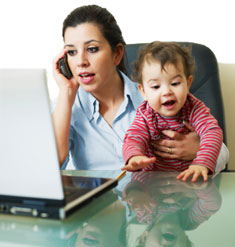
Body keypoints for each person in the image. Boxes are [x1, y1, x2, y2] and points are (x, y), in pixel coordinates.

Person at [52, 4, 228, 172]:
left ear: (117, 54)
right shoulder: (65, 105)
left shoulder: (158, 96)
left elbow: (222, 153)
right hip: (98, 201)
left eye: (92, 49)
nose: (81, 61)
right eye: (71, 52)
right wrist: (66, 93)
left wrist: (197, 151)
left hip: (158, 198)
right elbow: (51, 164)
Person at [122, 41, 224, 182]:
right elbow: (134, 136)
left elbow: (212, 132)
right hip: (154, 182)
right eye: (156, 86)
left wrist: (201, 162)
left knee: (209, 202)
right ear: (143, 91)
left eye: (175, 83)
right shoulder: (146, 113)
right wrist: (135, 156)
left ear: (188, 83)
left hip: (189, 180)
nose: (167, 92)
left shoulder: (194, 108)